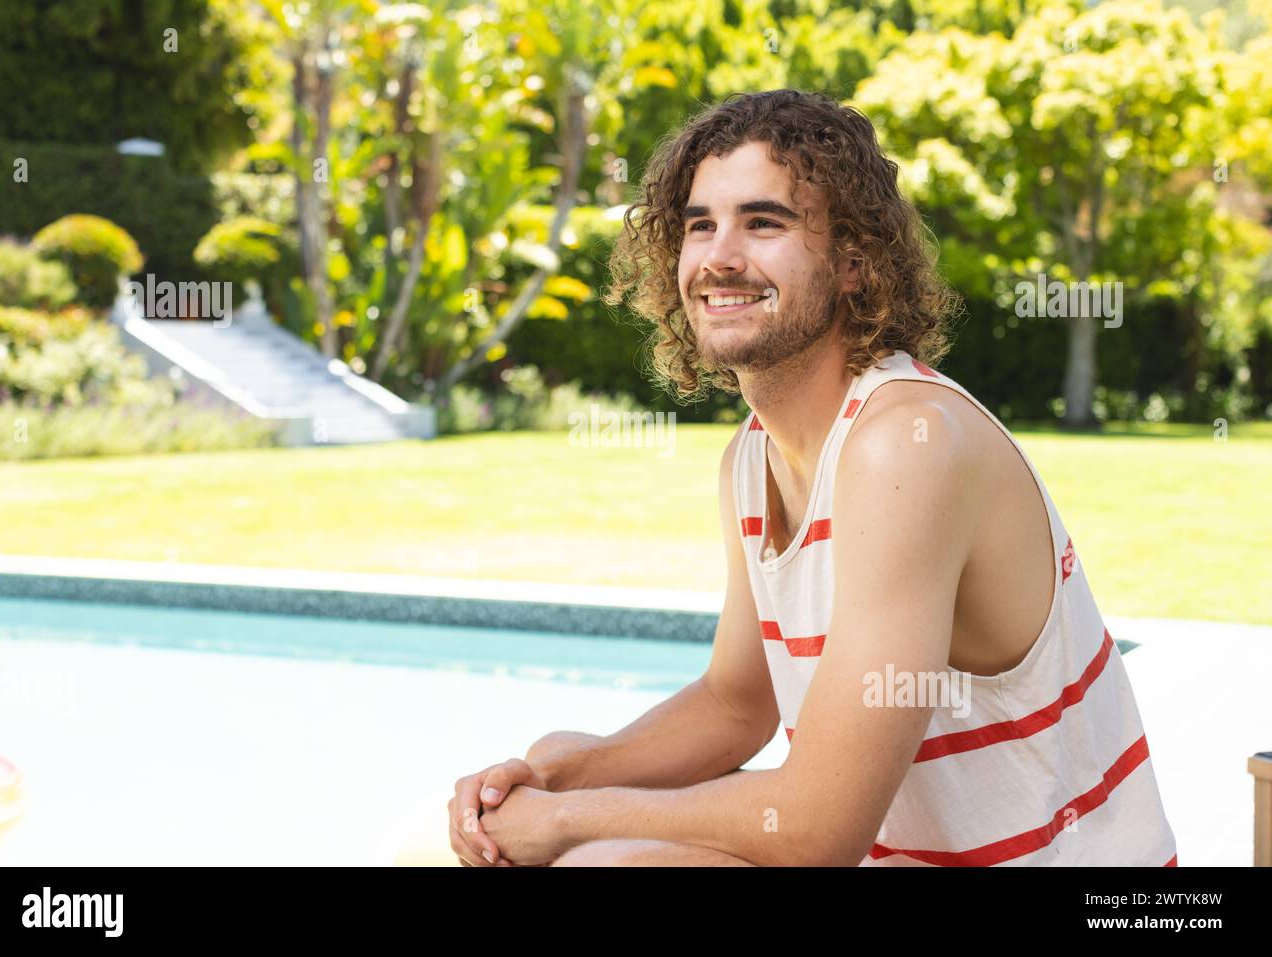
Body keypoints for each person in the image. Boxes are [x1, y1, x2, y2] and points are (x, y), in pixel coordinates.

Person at [446, 89, 1178, 867]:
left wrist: (571, 820)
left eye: (763, 222)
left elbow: (817, 831)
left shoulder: (905, 444)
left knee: (601, 863)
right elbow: (736, 705)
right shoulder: (752, 459)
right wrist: (550, 778)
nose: (720, 256)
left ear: (855, 262)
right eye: (701, 224)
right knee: (550, 758)